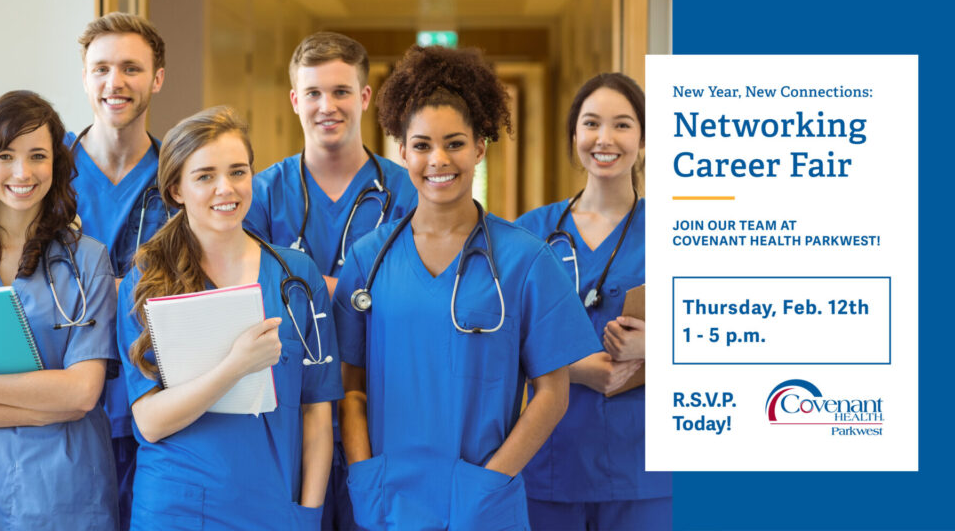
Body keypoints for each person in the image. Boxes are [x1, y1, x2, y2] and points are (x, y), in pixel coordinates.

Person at [334, 45, 601, 530]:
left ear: (480, 146)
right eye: (422, 145)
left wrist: (488, 485)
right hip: (389, 504)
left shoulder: (525, 261)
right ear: (402, 151)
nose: (439, 160)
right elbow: (350, 390)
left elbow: (552, 394)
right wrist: (364, 475)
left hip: (483, 504)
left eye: (455, 143)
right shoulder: (367, 261)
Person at [117, 106, 343, 530]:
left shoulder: (296, 276)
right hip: (175, 505)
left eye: (238, 172)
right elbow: (149, 420)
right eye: (205, 176)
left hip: (274, 506)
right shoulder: (147, 282)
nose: (227, 188)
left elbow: (317, 412)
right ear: (177, 190)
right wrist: (237, 365)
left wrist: (309, 515)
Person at [242, 31, 416, 530]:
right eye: (313, 93)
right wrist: (356, 293)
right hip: (288, 408)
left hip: (382, 403)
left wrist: (309, 284)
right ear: (295, 100)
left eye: (341, 91)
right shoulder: (262, 193)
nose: (327, 106)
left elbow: (417, 296)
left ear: (364, 97)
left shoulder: (405, 191)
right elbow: (242, 289)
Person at [0, 90, 119, 529]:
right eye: (6, 155)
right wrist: (51, 407)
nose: (22, 172)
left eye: (37, 155)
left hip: (64, 491)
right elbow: (66, 399)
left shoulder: (88, 261)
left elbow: (82, 392)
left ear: (56, 166)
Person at [515, 73, 671, 530]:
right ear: (574, 136)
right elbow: (496, 339)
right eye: (591, 124)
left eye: (622, 125)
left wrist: (655, 347)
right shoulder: (530, 232)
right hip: (548, 462)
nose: (605, 138)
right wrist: (576, 368)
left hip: (645, 469)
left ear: (642, 140)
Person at [69, 12, 169, 525]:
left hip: (152, 406)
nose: (115, 83)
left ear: (156, 78)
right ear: (85, 77)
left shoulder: (179, 175)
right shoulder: (46, 170)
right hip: (66, 413)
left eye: (131, 68)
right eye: (101, 68)